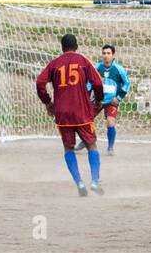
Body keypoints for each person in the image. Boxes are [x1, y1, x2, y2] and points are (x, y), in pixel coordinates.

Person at [36, 33, 106, 196]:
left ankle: (79, 183)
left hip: (62, 114)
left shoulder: (53, 64)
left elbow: (40, 82)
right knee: (91, 145)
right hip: (82, 112)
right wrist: (99, 100)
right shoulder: (83, 61)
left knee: (69, 148)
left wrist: (47, 102)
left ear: (62, 47)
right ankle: (95, 181)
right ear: (77, 46)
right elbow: (97, 82)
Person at [92, 43, 131, 154]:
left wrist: (119, 97)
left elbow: (126, 84)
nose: (106, 56)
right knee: (87, 120)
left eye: (108, 53)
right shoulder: (97, 67)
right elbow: (90, 82)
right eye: (104, 53)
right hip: (98, 99)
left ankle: (110, 147)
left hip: (111, 101)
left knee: (110, 122)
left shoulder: (119, 69)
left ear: (113, 55)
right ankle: (87, 141)